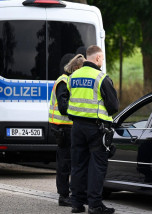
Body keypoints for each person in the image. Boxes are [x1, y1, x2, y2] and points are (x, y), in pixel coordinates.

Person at [67, 45, 119, 214]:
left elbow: (70, 98)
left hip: (77, 127)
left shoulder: (73, 76)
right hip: (96, 128)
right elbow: (113, 106)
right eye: (102, 59)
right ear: (97, 58)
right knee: (97, 165)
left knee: (78, 165)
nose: (102, 62)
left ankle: (76, 203)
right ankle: (95, 205)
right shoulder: (100, 77)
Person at [49, 53, 85, 207]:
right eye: (82, 69)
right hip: (63, 127)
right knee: (64, 163)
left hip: (66, 127)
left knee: (69, 162)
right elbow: (64, 108)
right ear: (76, 68)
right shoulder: (64, 81)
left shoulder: (69, 80)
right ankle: (63, 196)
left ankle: (70, 194)